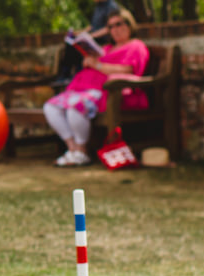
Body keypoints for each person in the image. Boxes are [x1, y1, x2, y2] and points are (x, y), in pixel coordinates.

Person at [41, 9, 149, 166]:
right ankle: (73, 149)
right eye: (110, 26)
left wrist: (97, 65)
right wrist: (89, 61)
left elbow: (128, 69)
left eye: (118, 24)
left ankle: (82, 151)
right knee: (51, 107)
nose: (115, 29)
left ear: (129, 24)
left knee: (76, 107)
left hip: (109, 90)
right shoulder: (105, 49)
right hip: (84, 88)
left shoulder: (136, 46)